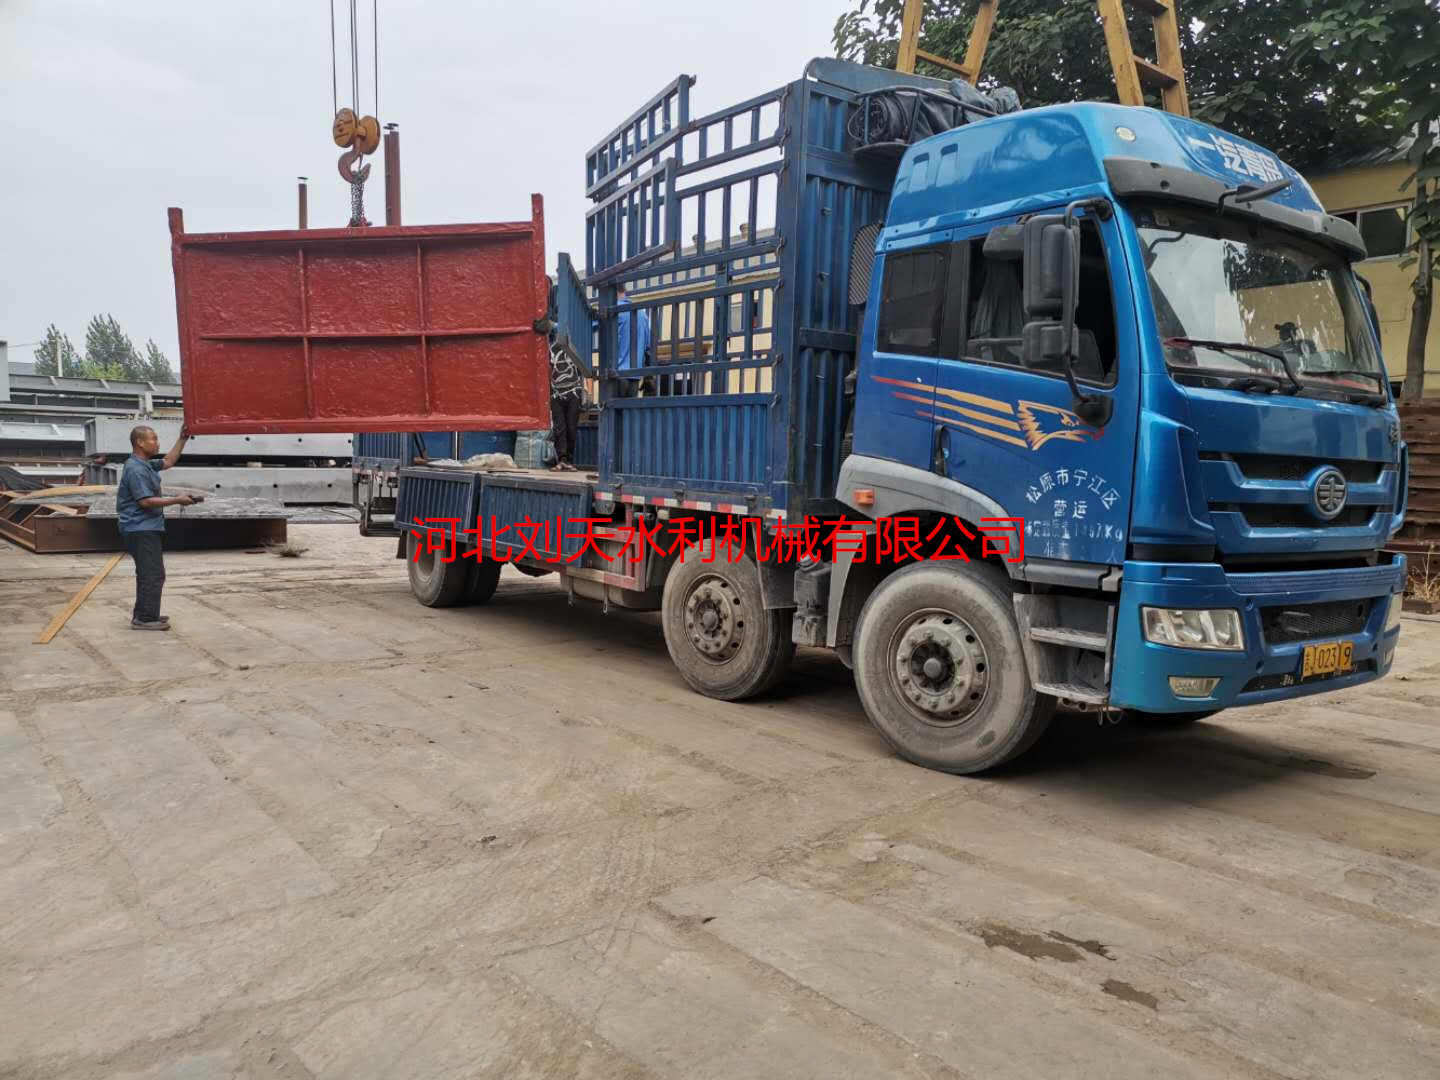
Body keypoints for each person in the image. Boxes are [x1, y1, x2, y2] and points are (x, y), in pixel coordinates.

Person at [116, 425, 193, 630]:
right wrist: (177, 500)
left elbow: (168, 461)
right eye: (154, 439)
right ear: (140, 443)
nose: (157, 443)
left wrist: (183, 438)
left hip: (144, 527)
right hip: (140, 528)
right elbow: (145, 501)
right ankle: (145, 619)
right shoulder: (136, 469)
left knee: (150, 572)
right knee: (152, 573)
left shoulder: (145, 464)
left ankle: (145, 612)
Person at [548, 328, 585, 471]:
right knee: (559, 428)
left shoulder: (575, 349)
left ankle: (568, 459)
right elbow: (548, 370)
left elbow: (584, 370)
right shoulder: (550, 349)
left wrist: (585, 392)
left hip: (573, 392)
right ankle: (562, 459)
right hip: (556, 393)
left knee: (571, 427)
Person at [615, 283, 652, 397]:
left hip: (617, 374)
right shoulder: (642, 314)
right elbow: (648, 346)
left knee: (611, 407)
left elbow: (590, 325)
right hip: (635, 375)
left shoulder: (615, 309)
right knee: (630, 408)